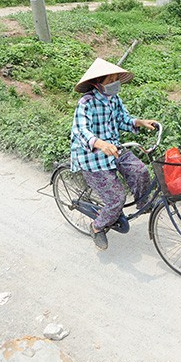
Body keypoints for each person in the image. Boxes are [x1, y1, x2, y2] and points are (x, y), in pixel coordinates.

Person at [70, 57, 157, 250]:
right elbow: (80, 130)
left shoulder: (114, 99)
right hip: (92, 157)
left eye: (116, 79)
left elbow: (122, 119)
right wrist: (100, 143)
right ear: (97, 83)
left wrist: (139, 122)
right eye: (110, 80)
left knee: (140, 170)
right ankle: (97, 227)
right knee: (116, 198)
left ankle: (143, 203)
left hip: (114, 149)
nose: (114, 83)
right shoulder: (86, 103)